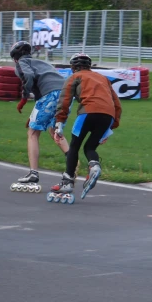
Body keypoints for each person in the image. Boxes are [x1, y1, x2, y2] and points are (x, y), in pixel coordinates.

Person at [51, 53, 122, 199]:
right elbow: (117, 104)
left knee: (74, 146)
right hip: (108, 115)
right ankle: (94, 165)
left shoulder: (74, 77)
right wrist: (111, 126)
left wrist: (59, 123)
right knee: (89, 147)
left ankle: (67, 182)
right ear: (89, 66)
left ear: (73, 67)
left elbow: (64, 100)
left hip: (87, 113)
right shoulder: (103, 78)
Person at [10, 41, 70, 188]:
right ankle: (72, 164)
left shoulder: (21, 63)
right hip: (65, 94)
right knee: (54, 131)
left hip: (49, 95)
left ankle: (33, 174)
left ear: (15, 57)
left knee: (32, 133)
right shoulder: (41, 62)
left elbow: (27, 75)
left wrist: (24, 98)